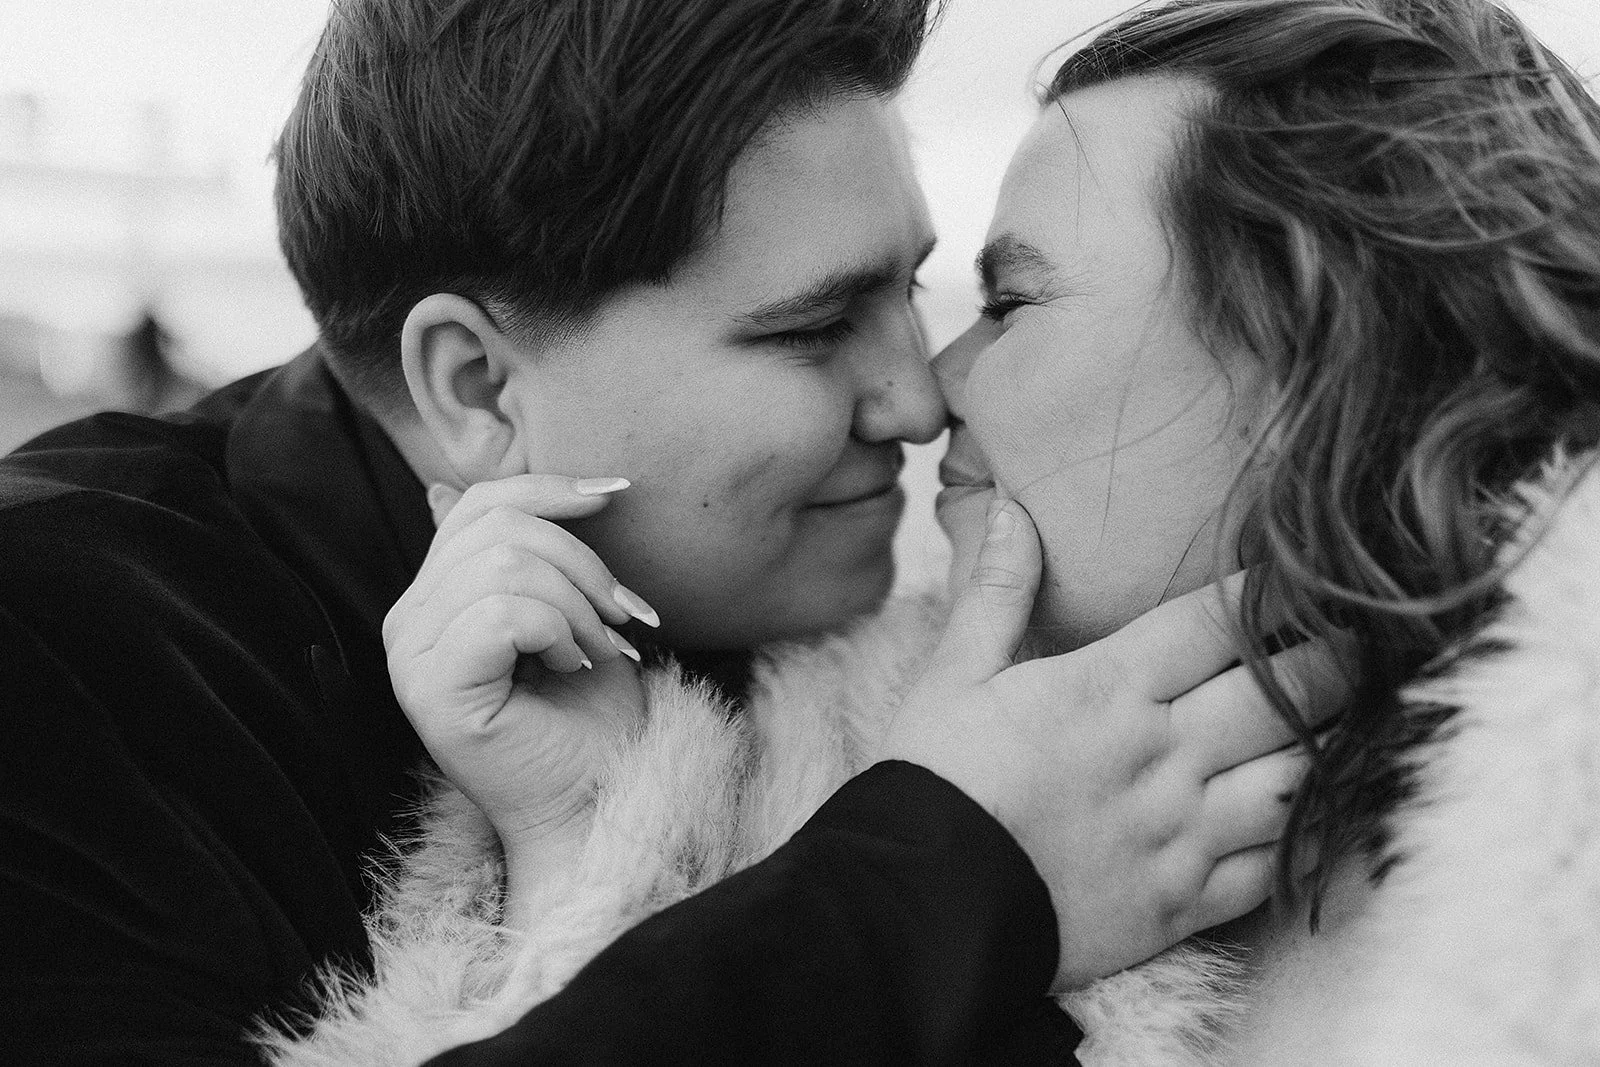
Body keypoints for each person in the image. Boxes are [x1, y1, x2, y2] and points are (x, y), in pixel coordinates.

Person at [0, 1, 1326, 1063]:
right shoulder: (54, 653)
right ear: (474, 385)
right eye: (814, 327)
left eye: (913, 289)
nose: (921, 396)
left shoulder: (832, 629)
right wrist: (952, 882)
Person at [305, 0, 1600, 1062]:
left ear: (1324, 359)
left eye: (1011, 296)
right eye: (816, 326)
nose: (933, 391)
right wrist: (591, 859)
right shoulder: (801, 773)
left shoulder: (1555, 893)